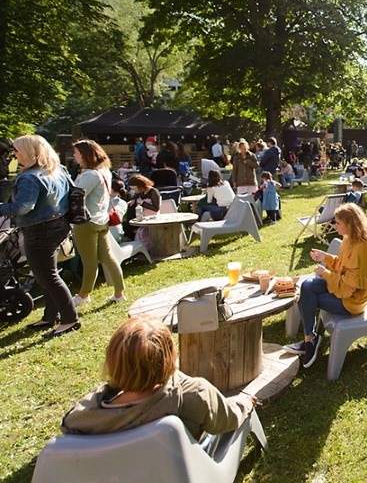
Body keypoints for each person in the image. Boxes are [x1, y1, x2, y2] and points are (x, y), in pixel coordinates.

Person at [61, 315, 256, 445]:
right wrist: (245, 403)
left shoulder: (82, 420)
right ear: (168, 357)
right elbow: (226, 421)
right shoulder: (193, 395)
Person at [0, 135, 78, 338]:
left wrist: (1, 207)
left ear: (28, 152)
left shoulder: (29, 177)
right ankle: (50, 316)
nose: (14, 154)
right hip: (58, 225)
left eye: (16, 150)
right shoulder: (57, 169)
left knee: (48, 276)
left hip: (40, 231)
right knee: (48, 274)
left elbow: (23, 207)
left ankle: (70, 319)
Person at [285, 203, 367, 368]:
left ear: (349, 224)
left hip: (351, 301)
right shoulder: (349, 238)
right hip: (341, 289)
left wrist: (325, 274)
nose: (334, 225)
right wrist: (325, 257)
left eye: (338, 223)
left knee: (309, 295)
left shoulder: (361, 249)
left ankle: (310, 341)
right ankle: (310, 338)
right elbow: (342, 266)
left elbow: (349, 287)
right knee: (307, 286)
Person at [71, 140, 126, 307]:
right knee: (108, 258)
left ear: (84, 154)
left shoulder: (90, 175)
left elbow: (76, 195)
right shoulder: (104, 171)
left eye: (76, 152)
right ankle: (119, 293)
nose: (74, 155)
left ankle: (83, 295)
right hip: (102, 220)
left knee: (89, 261)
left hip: (87, 222)